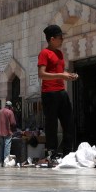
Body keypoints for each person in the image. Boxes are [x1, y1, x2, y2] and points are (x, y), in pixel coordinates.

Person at [38, 24, 78, 159]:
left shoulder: (60, 53)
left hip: (61, 91)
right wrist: (62, 76)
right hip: (49, 93)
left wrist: (69, 75)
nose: (62, 40)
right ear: (52, 39)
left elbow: (60, 71)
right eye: (60, 37)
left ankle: (68, 152)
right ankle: (52, 153)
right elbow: (42, 74)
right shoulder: (45, 53)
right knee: (51, 125)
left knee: (69, 122)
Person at [0, 100, 17, 165]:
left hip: (0, 132)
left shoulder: (0, 111)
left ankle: (1, 162)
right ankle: (6, 161)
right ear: (10, 106)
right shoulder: (10, 112)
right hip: (7, 132)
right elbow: (13, 123)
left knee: (1, 147)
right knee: (7, 147)